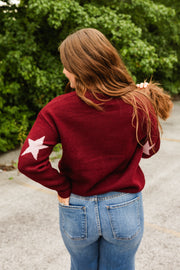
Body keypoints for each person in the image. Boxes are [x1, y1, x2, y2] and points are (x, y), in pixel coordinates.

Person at [18, 28, 173, 270]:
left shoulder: (56, 109)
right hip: (124, 207)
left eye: (66, 65)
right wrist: (143, 101)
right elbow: (148, 151)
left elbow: (28, 163)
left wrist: (62, 186)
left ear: (79, 68)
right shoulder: (138, 103)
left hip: (77, 207)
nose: (63, 71)